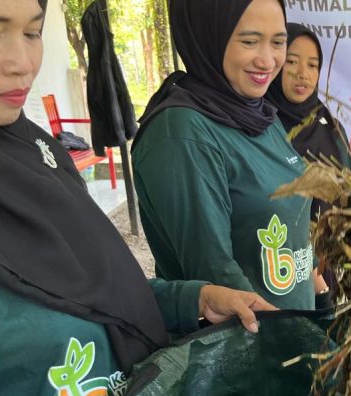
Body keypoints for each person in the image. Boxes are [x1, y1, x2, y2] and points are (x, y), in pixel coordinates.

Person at [0, 0, 278, 396]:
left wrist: (193, 299)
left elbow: (88, 295)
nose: (22, 63)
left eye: (34, 32)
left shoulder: (36, 155)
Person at [132, 0, 325, 310]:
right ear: (209, 35)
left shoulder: (261, 113)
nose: (267, 60)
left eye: (278, 43)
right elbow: (215, 274)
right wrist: (287, 339)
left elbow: (293, 225)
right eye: (250, 41)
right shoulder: (183, 133)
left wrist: (319, 291)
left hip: (293, 333)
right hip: (249, 345)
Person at [264, 23, 351, 307]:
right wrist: (309, 274)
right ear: (275, 63)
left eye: (313, 65)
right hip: (277, 271)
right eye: (292, 61)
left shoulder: (330, 127)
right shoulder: (259, 127)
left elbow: (350, 194)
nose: (303, 73)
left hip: (326, 270)